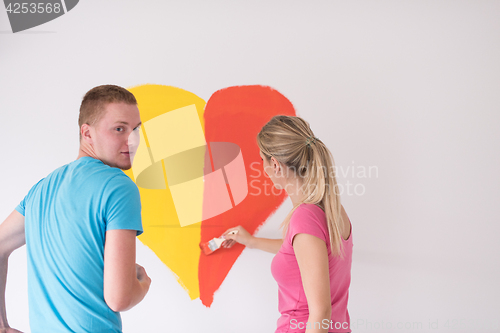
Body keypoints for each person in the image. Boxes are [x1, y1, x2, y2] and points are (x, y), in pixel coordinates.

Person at [0, 85, 151, 333]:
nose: (131, 139)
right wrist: (142, 285)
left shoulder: (41, 189)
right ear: (87, 133)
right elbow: (119, 298)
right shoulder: (118, 187)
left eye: (135, 130)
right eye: (119, 129)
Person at [222, 115, 353, 333]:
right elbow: (303, 253)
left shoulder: (304, 218)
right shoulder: (332, 208)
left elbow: (320, 312)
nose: (263, 168)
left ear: (275, 164)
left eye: (262, 160)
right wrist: (252, 241)